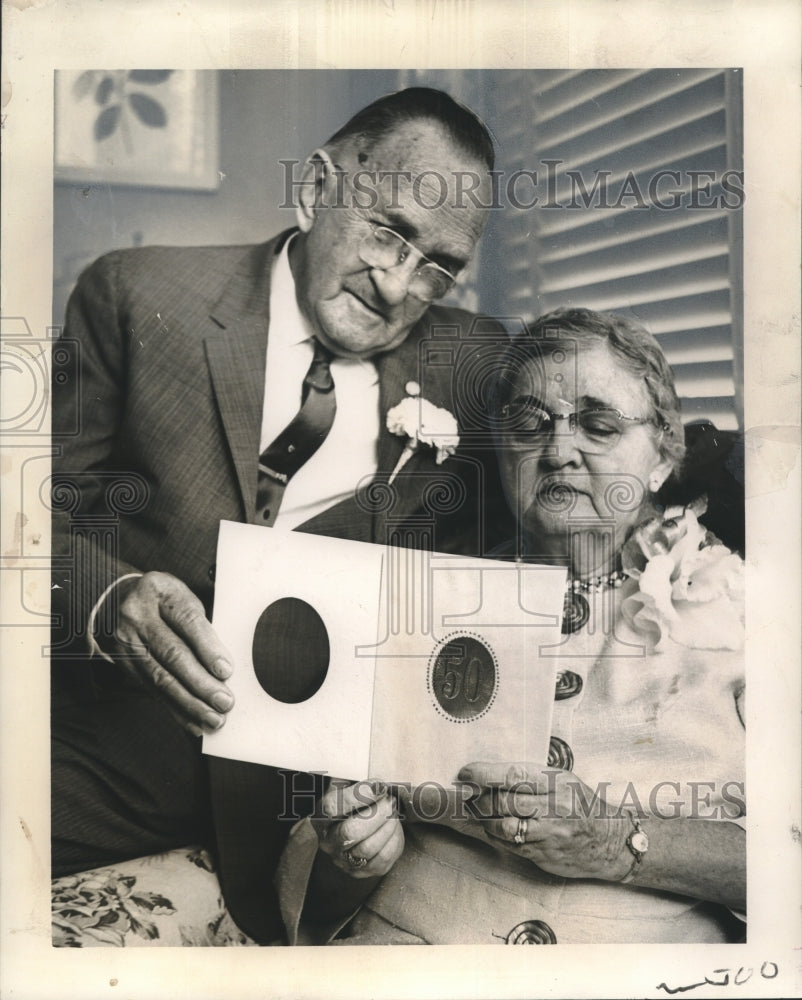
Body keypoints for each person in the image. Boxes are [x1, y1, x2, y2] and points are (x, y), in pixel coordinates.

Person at [50, 86, 506, 944]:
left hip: (312, 814)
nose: (400, 283)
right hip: (110, 753)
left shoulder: (473, 362)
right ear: (318, 187)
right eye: (390, 231)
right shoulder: (137, 295)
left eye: (439, 265)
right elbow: (27, 519)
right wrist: (112, 602)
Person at [279, 307, 746, 945]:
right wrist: (355, 852)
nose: (557, 452)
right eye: (528, 426)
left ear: (664, 457)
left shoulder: (742, 607)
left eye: (599, 425)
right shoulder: (435, 600)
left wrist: (615, 843)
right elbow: (327, 863)